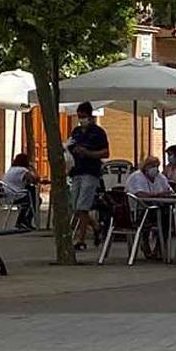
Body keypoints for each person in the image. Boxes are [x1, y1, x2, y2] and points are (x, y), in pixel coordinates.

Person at [66, 101, 109, 252]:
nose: (80, 119)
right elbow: (69, 146)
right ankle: (96, 227)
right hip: (76, 171)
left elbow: (105, 153)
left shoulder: (98, 132)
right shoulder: (76, 132)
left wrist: (89, 153)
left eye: (83, 116)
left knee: (83, 207)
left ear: (90, 116)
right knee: (75, 206)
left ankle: (81, 239)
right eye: (79, 116)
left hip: (91, 172)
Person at [0, 153, 38, 230]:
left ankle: (23, 220)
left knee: (30, 192)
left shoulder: (11, 169)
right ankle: (24, 220)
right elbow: (36, 180)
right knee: (36, 199)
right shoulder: (23, 170)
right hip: (15, 196)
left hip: (5, 196)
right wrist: (33, 169)